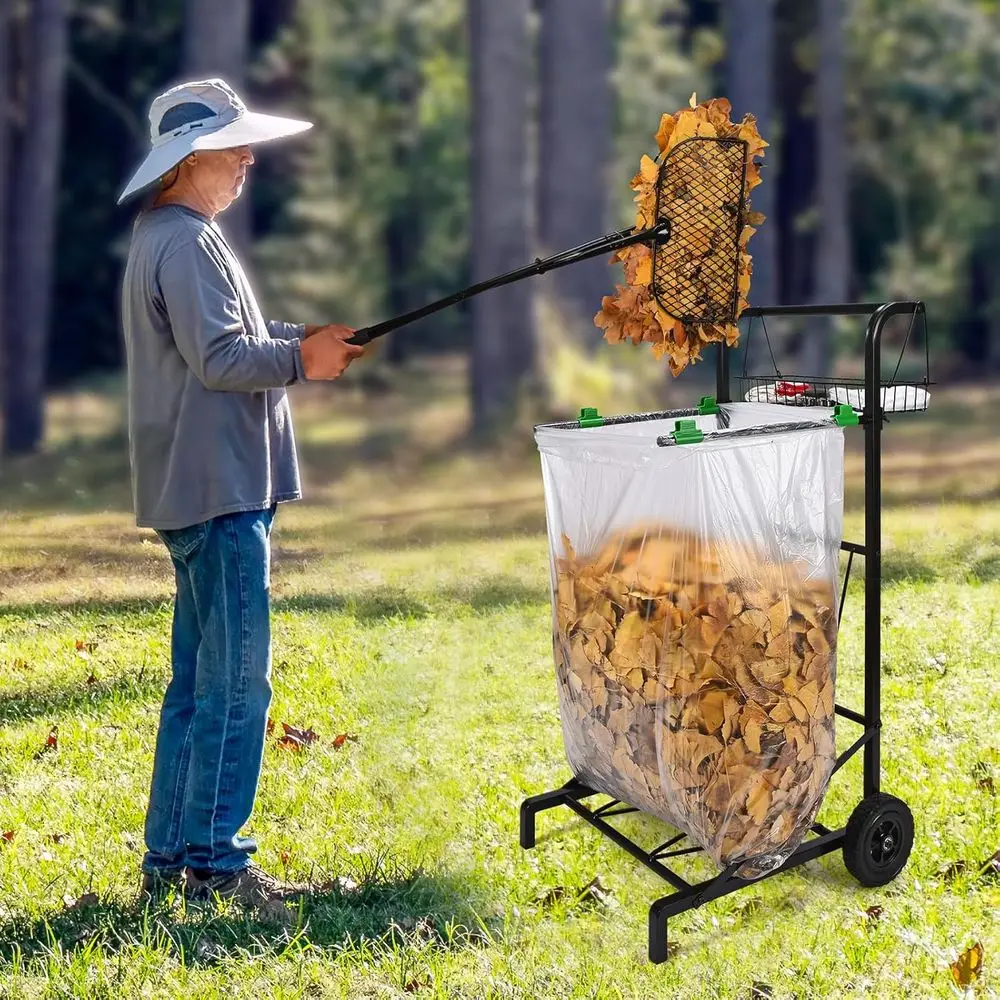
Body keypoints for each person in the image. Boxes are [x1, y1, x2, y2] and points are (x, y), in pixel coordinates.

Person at [117, 78, 365, 919]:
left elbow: (227, 344)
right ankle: (218, 865)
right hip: (220, 494)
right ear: (188, 160)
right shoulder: (186, 242)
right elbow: (223, 361)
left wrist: (305, 342)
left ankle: (170, 857)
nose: (250, 159)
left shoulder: (174, 234)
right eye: (235, 147)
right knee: (236, 685)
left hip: (202, 493)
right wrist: (301, 363)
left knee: (196, 682)